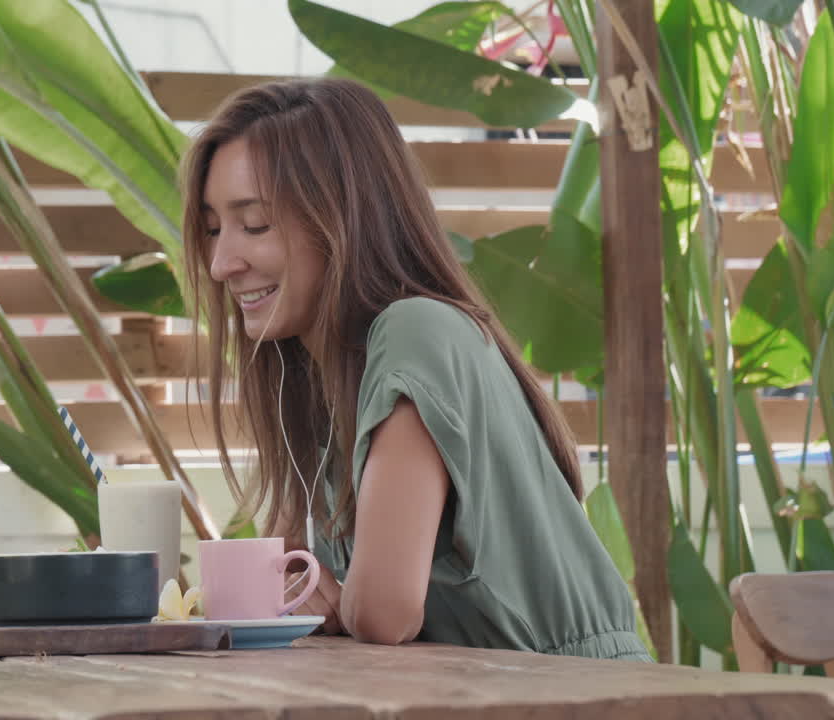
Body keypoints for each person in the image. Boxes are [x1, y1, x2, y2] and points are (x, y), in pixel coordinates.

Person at [180, 77, 651, 662]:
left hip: (589, 698)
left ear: (345, 219)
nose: (222, 263)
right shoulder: (321, 396)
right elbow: (288, 581)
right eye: (212, 229)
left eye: (254, 225)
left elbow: (383, 612)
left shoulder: (417, 332)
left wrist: (334, 600)